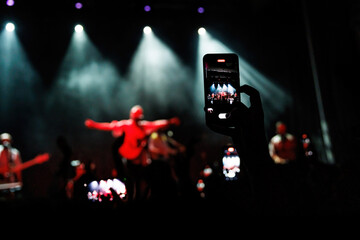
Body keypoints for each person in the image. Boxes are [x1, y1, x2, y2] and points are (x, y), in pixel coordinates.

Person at [84, 105, 180, 201]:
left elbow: (156, 124)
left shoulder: (143, 126)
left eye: (138, 119)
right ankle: (132, 198)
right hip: (128, 159)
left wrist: (170, 121)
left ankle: (140, 198)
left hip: (139, 159)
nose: (137, 121)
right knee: (130, 180)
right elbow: (109, 126)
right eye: (136, 118)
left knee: (141, 181)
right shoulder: (126, 125)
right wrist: (94, 124)